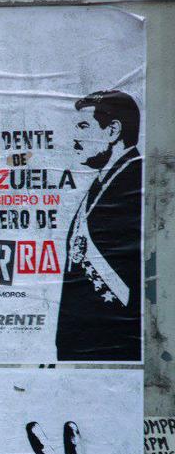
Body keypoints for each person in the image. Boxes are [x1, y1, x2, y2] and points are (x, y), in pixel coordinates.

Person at [56, 89, 142, 361]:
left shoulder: (136, 182)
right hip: (84, 350)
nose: (75, 138)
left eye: (83, 126)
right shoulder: (105, 182)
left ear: (112, 130)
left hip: (113, 352)